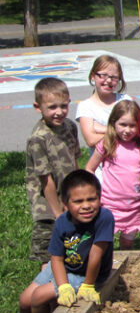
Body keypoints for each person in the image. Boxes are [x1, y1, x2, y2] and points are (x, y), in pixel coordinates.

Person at [12, 170, 114, 313]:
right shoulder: (61, 222)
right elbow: (56, 258)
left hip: (87, 275)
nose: (86, 206)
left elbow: (95, 256)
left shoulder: (104, 218)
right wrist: (63, 286)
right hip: (64, 266)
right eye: (78, 201)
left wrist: (89, 285)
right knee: (25, 300)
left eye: (92, 199)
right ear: (65, 204)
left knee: (39, 297)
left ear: (100, 198)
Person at [85, 100, 140, 250]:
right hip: (109, 204)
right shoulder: (108, 143)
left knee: (127, 243)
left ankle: (124, 268)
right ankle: (103, 269)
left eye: (132, 125)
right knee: (103, 242)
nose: (127, 130)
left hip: (134, 206)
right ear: (113, 123)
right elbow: (89, 168)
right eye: (122, 125)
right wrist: (94, 195)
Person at [26, 78, 80, 264]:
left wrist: (77, 194)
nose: (59, 112)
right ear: (37, 107)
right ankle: (43, 286)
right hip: (47, 206)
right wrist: (57, 213)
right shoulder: (38, 138)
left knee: (72, 246)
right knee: (48, 253)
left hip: (68, 199)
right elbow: (45, 180)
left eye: (63, 106)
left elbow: (74, 162)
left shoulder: (70, 127)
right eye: (52, 107)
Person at [75, 55, 131, 168]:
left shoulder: (125, 100)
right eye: (103, 75)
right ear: (92, 76)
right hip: (100, 168)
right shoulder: (85, 106)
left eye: (114, 77)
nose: (109, 80)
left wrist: (100, 128)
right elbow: (90, 140)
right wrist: (119, 131)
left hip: (126, 165)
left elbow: (133, 132)